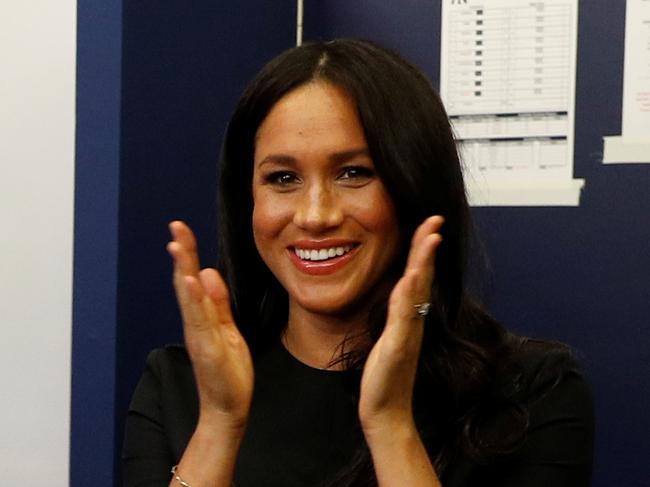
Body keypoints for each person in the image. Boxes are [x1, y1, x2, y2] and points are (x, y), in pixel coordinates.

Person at [122, 39, 594, 487]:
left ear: (414, 184)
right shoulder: (180, 385)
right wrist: (220, 425)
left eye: (354, 173)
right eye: (282, 177)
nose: (315, 215)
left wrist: (390, 424)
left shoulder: (530, 391)